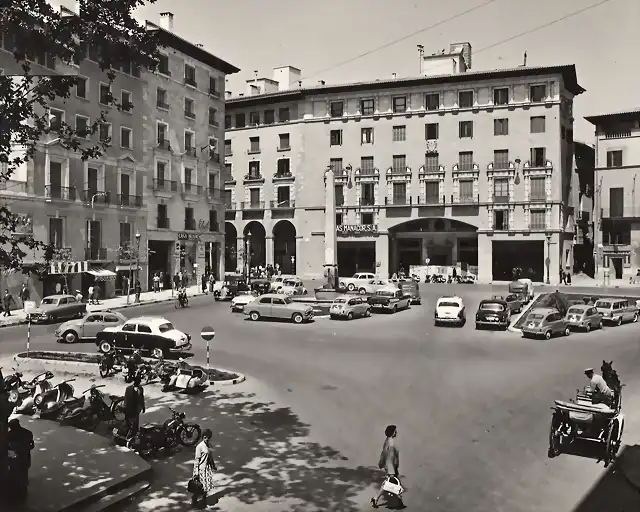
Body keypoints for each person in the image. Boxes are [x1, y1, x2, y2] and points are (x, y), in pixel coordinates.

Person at [371, 424, 400, 508]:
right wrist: (394, 468)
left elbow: (383, 454)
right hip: (391, 466)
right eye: (395, 431)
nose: (396, 432)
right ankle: (376, 498)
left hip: (388, 465)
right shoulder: (391, 443)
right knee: (388, 484)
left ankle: (398, 500)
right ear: (392, 433)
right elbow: (392, 457)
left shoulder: (387, 441)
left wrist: (381, 462)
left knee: (392, 482)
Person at [7, 418, 34, 501]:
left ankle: (15, 488)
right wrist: (26, 449)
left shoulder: (9, 435)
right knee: (24, 470)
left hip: (14, 454)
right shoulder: (28, 433)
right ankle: (23, 488)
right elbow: (32, 445)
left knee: (14, 470)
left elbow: (7, 447)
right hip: (24, 454)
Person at [191, 429, 217, 508]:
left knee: (206, 487)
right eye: (206, 437)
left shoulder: (208, 445)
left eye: (209, 438)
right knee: (200, 487)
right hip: (201, 470)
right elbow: (196, 460)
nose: (207, 439)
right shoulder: (199, 447)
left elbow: (210, 456)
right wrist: (196, 472)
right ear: (203, 437)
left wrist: (213, 465)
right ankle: (194, 500)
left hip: (207, 469)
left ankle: (204, 500)